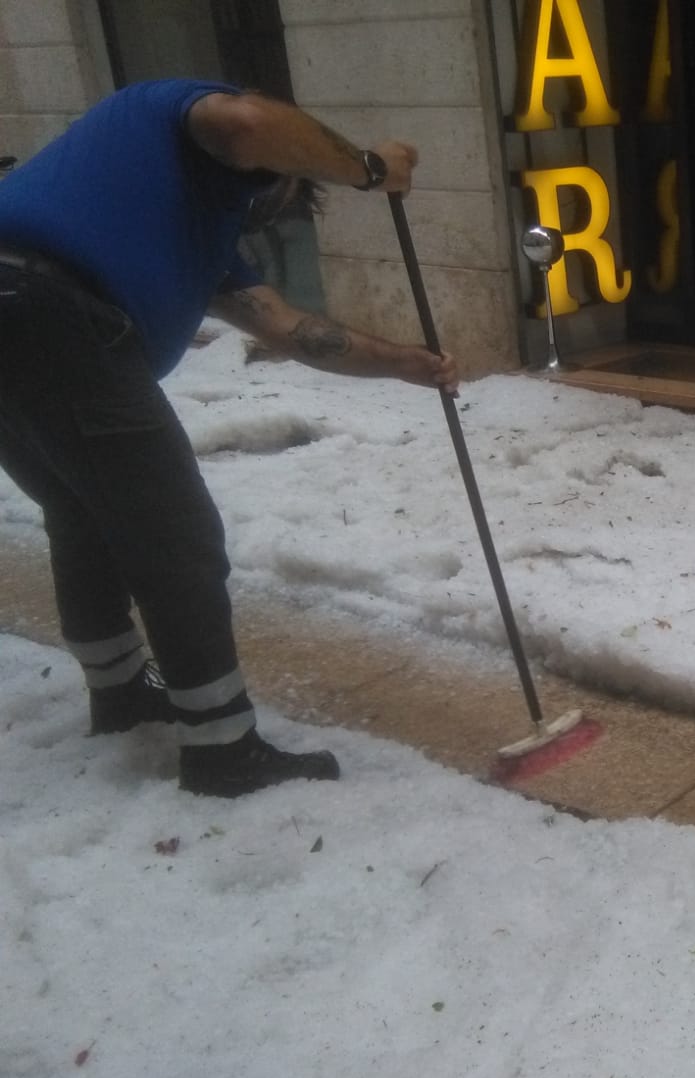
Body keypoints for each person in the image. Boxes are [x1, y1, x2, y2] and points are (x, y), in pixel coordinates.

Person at [0, 79, 459, 798]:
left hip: (21, 313)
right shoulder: (167, 111)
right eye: (284, 178)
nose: (263, 198)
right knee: (176, 538)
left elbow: (291, 329)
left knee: (81, 512)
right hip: (51, 309)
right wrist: (370, 168)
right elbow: (248, 124)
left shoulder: (196, 232)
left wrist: (407, 363)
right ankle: (223, 752)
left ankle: (120, 693)